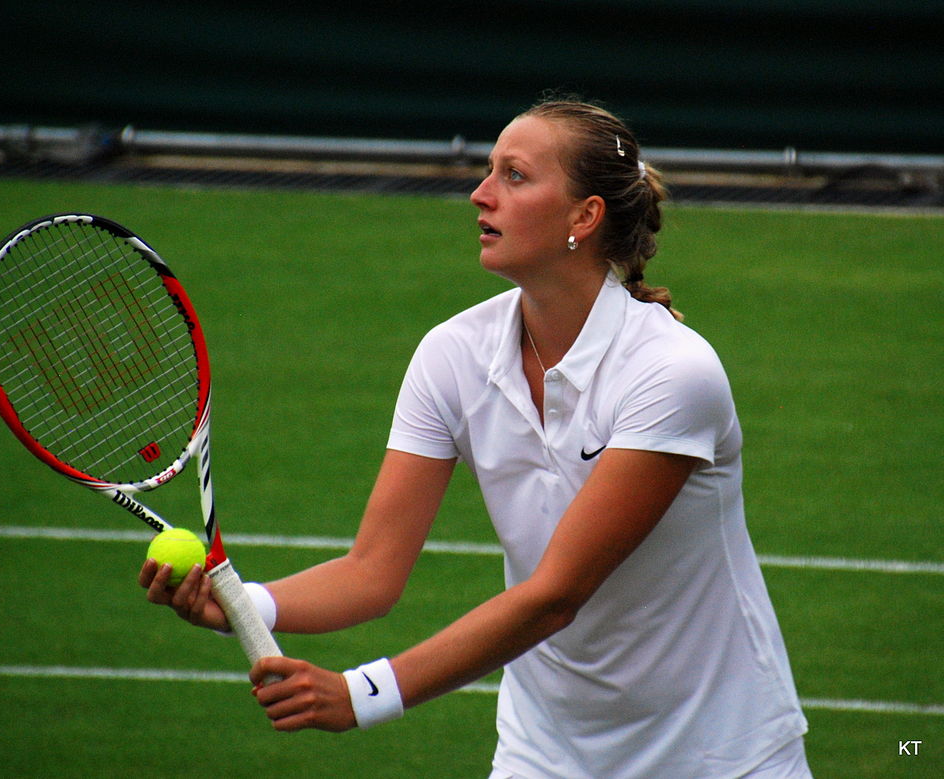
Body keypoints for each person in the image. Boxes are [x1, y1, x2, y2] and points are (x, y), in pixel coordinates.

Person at [141, 97, 811, 777]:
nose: (480, 194)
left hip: (721, 753)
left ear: (584, 217)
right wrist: (240, 604)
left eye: (514, 176)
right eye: (489, 170)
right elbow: (371, 572)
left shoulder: (672, 374)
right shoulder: (451, 355)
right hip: (544, 754)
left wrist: (363, 693)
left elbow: (556, 595)